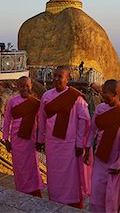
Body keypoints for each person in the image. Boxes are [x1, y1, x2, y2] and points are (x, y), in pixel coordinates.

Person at [36, 66, 91, 208]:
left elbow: (83, 122)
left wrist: (80, 144)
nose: (56, 79)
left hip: (70, 145)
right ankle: (55, 200)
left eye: (60, 76)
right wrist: (40, 140)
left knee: (70, 177)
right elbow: (42, 119)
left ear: (68, 79)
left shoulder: (76, 98)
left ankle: (72, 203)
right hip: (52, 143)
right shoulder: (46, 96)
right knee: (54, 175)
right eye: (54, 75)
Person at [84, 79, 120, 213]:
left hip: (115, 162)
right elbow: (93, 129)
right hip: (100, 159)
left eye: (105, 93)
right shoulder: (100, 109)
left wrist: (119, 165)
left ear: (115, 94)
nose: (102, 95)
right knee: (97, 191)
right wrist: (87, 148)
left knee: (112, 197)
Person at [3, 76, 45, 197]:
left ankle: (34, 190)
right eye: (22, 86)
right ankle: (21, 189)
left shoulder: (36, 103)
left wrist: (40, 140)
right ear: (17, 87)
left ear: (31, 86)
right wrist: (6, 139)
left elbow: (41, 123)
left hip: (30, 141)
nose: (25, 88)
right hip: (16, 140)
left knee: (32, 165)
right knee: (19, 166)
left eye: (27, 86)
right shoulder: (12, 101)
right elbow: (7, 120)